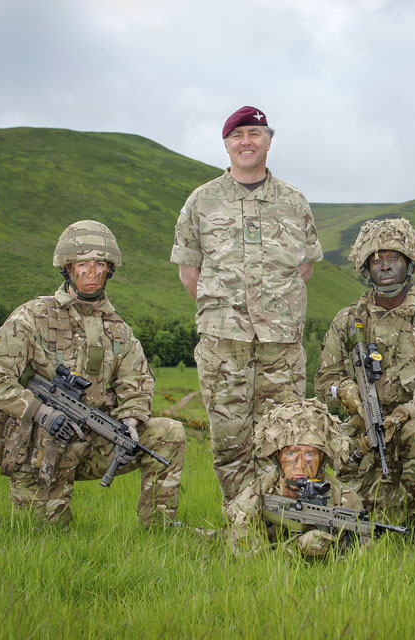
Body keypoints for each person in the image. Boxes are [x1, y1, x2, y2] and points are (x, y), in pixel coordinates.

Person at [0, 221, 186, 527]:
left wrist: (130, 423)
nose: (92, 272)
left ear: (110, 269)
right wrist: (41, 413)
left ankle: (160, 529)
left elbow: (136, 383)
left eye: (100, 264)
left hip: (93, 441)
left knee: (169, 433)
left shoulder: (118, 330)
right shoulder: (33, 317)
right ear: (68, 268)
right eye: (82, 264)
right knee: (42, 536)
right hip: (40, 448)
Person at [170, 105, 324, 507]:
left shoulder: (293, 201)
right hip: (224, 343)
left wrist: (272, 308)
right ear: (226, 145)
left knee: (286, 434)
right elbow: (190, 273)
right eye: (238, 135)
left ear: (269, 142)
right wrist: (229, 313)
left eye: (255, 134)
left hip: (281, 346)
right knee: (230, 437)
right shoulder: (201, 201)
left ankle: (285, 515)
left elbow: (304, 268)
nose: (246, 142)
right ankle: (242, 520)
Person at [315, 218, 415, 520]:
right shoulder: (348, 321)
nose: (384, 266)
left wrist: (402, 415)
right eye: (376, 260)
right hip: (363, 422)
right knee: (324, 452)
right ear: (365, 268)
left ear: (409, 263)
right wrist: (349, 394)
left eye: (393, 258)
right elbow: (325, 382)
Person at [222, 398, 362, 557]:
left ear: (322, 458)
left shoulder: (345, 501)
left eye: (310, 454)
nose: (301, 465)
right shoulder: (253, 498)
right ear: (277, 456)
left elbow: (359, 561)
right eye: (291, 453)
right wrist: (297, 548)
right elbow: (243, 557)